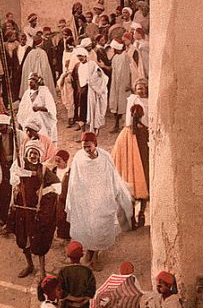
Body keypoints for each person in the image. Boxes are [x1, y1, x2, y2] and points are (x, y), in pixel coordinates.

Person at [65, 131, 133, 266]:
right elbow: (74, 181)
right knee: (87, 227)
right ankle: (89, 251)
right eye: (84, 146)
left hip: (102, 198)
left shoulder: (105, 157)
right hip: (85, 199)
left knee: (100, 227)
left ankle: (96, 254)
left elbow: (113, 177)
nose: (86, 149)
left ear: (95, 145)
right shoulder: (79, 158)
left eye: (88, 146)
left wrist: (112, 195)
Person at [10, 140, 60, 278]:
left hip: (36, 212)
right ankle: (29, 265)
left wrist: (43, 191)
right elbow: (13, 179)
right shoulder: (19, 166)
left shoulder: (43, 170)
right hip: (22, 209)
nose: (33, 155)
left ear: (39, 155)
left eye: (36, 153)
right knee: (23, 239)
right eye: (31, 152)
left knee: (39, 241)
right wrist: (20, 181)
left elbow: (57, 185)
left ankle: (43, 271)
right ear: (27, 153)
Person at [112, 102, 149, 228]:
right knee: (144, 190)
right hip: (143, 166)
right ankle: (142, 214)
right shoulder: (145, 131)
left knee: (131, 191)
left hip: (130, 168)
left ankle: (132, 216)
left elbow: (117, 154)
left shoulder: (124, 133)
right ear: (142, 115)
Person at [0, 114, 17, 229]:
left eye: (1, 126)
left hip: (14, 166)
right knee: (3, 193)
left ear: (7, 125)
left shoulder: (17, 135)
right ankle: (2, 219)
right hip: (2, 167)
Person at [17, 72, 58, 141]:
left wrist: (39, 108)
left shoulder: (44, 92)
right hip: (30, 122)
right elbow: (21, 109)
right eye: (29, 82)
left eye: (31, 82)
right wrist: (20, 123)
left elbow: (51, 108)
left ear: (37, 82)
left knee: (43, 139)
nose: (29, 84)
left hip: (43, 121)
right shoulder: (27, 93)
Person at [18, 35, 55, 99]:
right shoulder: (42, 53)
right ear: (40, 43)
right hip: (39, 77)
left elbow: (25, 68)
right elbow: (45, 67)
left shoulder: (30, 53)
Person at [107, 40, 131, 133]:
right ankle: (116, 125)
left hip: (124, 84)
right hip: (116, 84)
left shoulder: (125, 57)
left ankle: (125, 126)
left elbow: (130, 71)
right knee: (116, 105)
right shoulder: (115, 57)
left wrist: (129, 84)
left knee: (124, 105)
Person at [53, 149, 72, 241]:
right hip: (54, 198)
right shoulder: (53, 171)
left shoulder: (71, 172)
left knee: (64, 218)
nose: (56, 163)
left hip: (65, 199)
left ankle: (64, 237)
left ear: (65, 161)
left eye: (59, 161)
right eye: (55, 160)